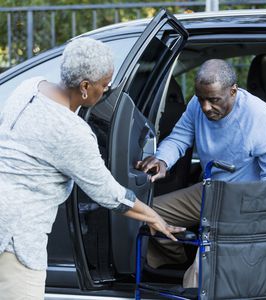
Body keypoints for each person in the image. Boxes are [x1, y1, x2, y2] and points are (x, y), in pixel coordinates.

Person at [0, 37, 184, 300]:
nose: (106, 92)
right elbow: (108, 194)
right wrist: (154, 217)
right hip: (16, 238)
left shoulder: (29, 87)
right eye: (105, 85)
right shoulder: (71, 131)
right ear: (85, 86)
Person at [136, 59, 266, 287]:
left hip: (243, 200)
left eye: (214, 100)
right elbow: (180, 137)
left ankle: (194, 273)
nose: (205, 107)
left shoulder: (260, 117)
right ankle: (176, 261)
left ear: (233, 91)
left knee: (201, 274)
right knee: (147, 213)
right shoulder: (197, 106)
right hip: (210, 189)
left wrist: (258, 220)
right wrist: (163, 160)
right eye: (201, 98)